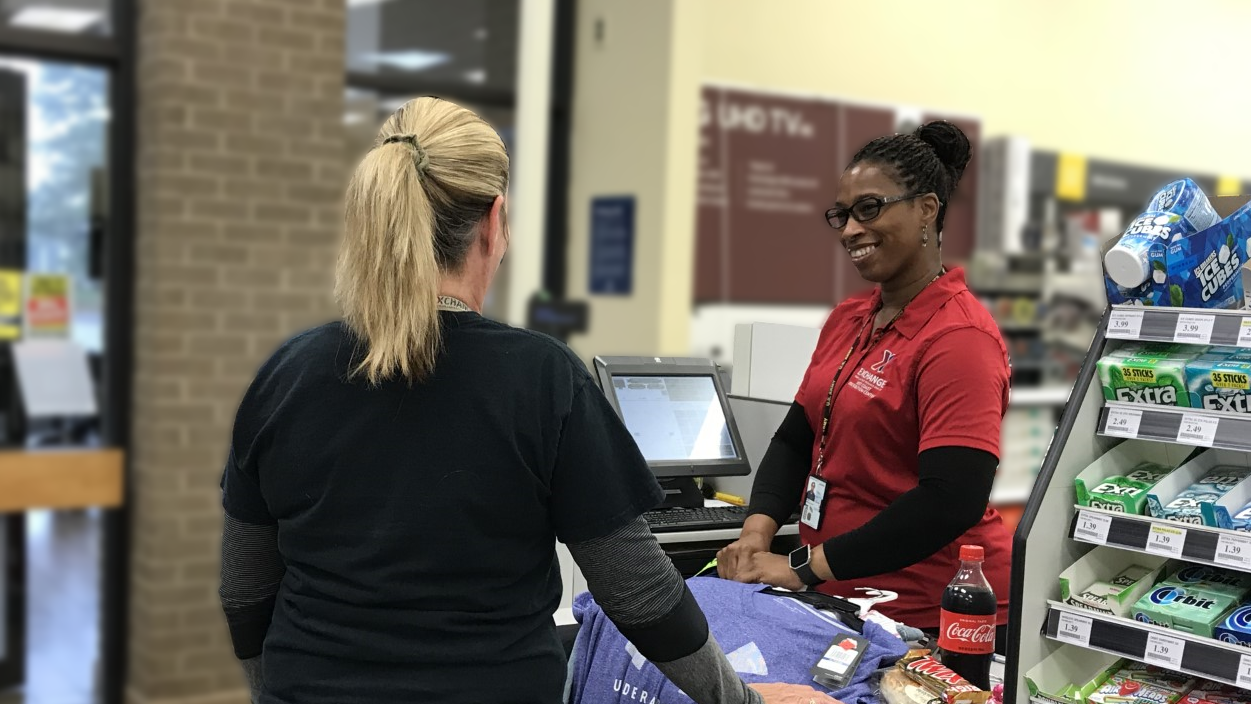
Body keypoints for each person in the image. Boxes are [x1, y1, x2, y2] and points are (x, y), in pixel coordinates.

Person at [216, 97, 838, 704]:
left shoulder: (288, 373)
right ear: (495, 220)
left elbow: (245, 585)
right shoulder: (543, 380)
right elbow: (640, 592)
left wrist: (274, 689)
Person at [717, 120, 1012, 645]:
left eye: (869, 208)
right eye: (842, 214)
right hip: (840, 595)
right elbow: (796, 437)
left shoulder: (960, 337)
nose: (851, 228)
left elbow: (951, 498)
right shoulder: (849, 319)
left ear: (926, 209)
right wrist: (755, 534)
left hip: (929, 611)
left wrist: (805, 567)